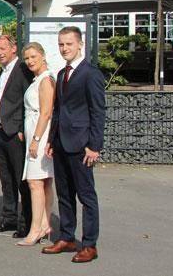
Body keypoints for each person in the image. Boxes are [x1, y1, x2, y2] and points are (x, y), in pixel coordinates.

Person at [43, 26, 105, 263]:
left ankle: (89, 244)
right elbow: (58, 110)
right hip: (61, 143)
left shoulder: (91, 73)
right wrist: (51, 139)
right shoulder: (61, 74)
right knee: (65, 194)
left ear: (80, 44)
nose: (64, 48)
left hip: (81, 145)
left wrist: (94, 145)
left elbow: (98, 112)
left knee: (86, 196)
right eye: (61, 44)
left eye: (69, 44)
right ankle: (67, 237)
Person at [0, 34, 34, 237]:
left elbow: (28, 100)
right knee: (6, 179)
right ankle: (8, 218)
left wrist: (20, 130)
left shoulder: (22, 69)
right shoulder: (3, 71)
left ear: (13, 48)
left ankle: (26, 222)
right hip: (1, 132)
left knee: (20, 180)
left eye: (3, 49)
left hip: (15, 133)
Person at [16, 42, 56, 245]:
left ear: (42, 56)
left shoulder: (46, 80)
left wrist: (36, 139)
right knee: (44, 182)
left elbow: (46, 111)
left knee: (35, 182)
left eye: (33, 57)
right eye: (27, 58)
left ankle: (36, 228)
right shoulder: (38, 79)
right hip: (35, 131)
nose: (30, 61)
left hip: (41, 133)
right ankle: (44, 224)